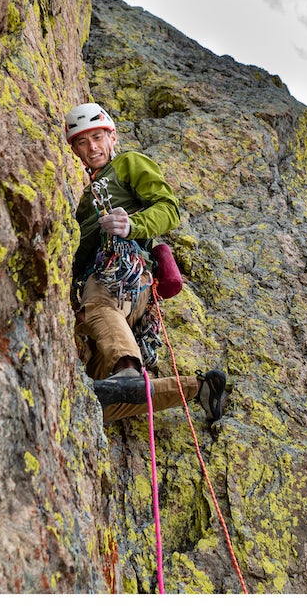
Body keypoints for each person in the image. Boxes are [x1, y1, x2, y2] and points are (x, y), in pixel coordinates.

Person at [64, 102, 227, 424]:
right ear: (75, 150)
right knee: (100, 399)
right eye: (82, 142)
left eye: (97, 137)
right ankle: (201, 387)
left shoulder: (128, 163)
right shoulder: (88, 194)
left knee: (98, 310)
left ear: (111, 137)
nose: (91, 147)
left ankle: (128, 370)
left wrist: (132, 226)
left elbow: (168, 209)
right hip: (119, 288)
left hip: (119, 271)